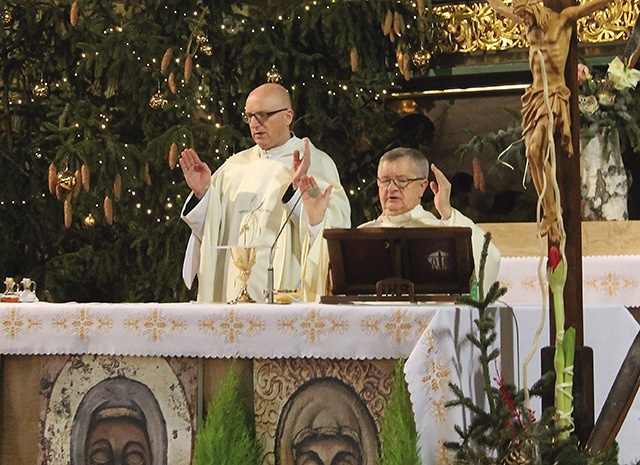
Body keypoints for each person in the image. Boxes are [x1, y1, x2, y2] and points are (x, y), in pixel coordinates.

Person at [180, 83, 351, 303]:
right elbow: (212, 232)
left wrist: (296, 193)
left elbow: (329, 229)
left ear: (288, 116)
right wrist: (203, 194)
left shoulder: (315, 162)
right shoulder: (233, 167)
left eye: (263, 115)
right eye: (249, 116)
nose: (254, 124)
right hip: (231, 296)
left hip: (286, 297)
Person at [486, 0, 614, 242]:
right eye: (520, 16)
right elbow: (500, 8)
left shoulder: (562, 19)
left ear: (535, 8)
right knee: (533, 154)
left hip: (553, 95)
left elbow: (590, 7)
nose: (522, 21)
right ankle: (550, 211)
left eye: (524, 15)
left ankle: (552, 212)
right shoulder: (528, 24)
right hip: (534, 96)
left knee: (535, 150)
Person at [302, 147, 500, 292]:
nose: (392, 188)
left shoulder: (440, 231)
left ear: (423, 187)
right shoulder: (362, 235)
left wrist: (447, 212)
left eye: (402, 181)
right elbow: (321, 280)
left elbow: (488, 257)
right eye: (385, 181)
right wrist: (316, 221)